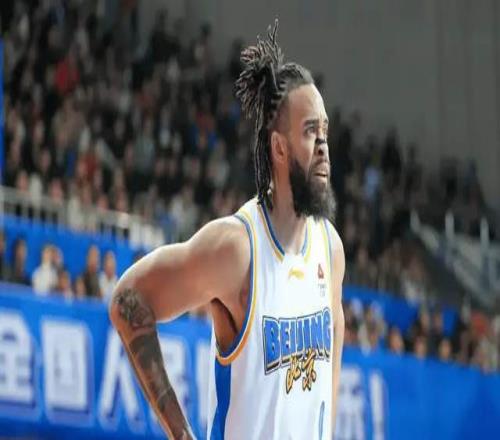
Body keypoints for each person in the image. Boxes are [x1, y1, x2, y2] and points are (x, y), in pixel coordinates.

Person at [109, 21, 345, 440]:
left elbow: (332, 355)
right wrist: (181, 434)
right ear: (279, 147)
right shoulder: (238, 249)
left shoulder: (330, 248)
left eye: (325, 130)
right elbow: (129, 300)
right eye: (311, 131)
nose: (324, 145)